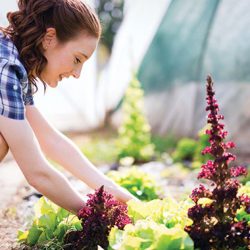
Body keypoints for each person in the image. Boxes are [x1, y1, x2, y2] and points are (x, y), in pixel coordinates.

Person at [0, 0, 136, 215]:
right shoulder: (4, 67)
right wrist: (95, 215)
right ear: (49, 38)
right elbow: (37, 173)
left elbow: (50, 140)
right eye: (77, 59)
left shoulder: (13, 63)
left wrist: (113, 190)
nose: (77, 73)